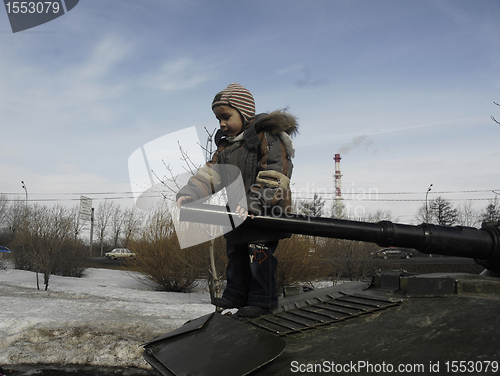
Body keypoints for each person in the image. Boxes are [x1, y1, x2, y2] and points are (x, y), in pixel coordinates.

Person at [176, 83, 298, 318]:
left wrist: (255, 202)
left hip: (264, 211)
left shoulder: (267, 137)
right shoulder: (226, 146)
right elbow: (211, 174)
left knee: (258, 254)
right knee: (236, 253)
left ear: (244, 113)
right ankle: (236, 293)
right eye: (217, 118)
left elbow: (274, 174)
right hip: (237, 212)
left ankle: (262, 300)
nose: (221, 123)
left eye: (226, 116)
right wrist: (190, 192)